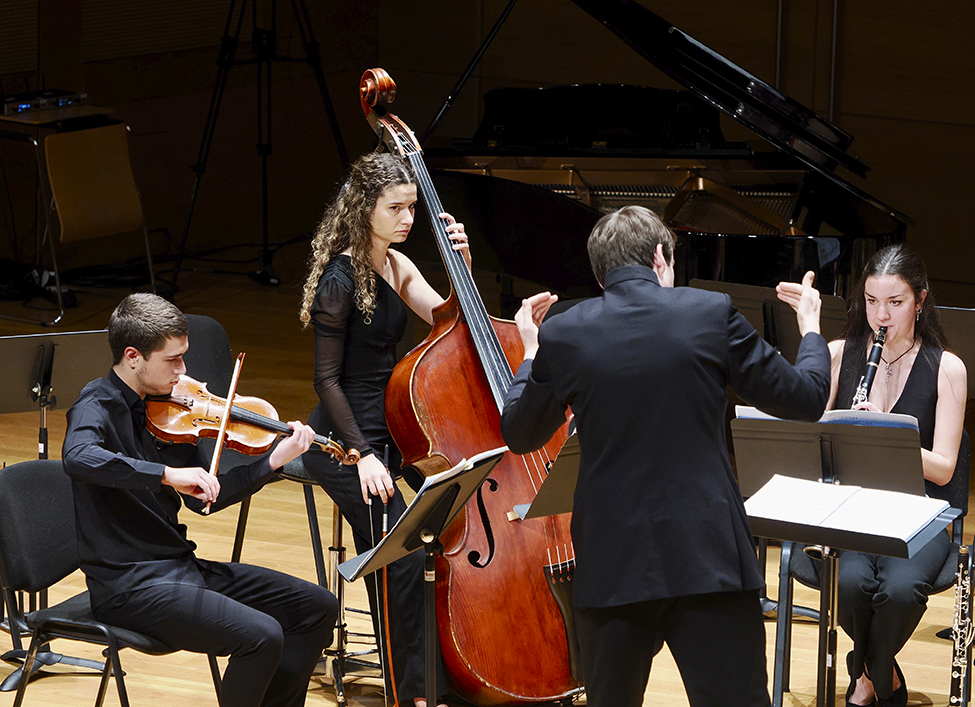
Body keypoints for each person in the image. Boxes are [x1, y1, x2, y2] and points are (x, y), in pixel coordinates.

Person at [499, 205, 831, 707]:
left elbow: (520, 432)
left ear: (600, 275)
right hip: (709, 557)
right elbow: (806, 398)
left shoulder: (565, 332)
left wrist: (529, 353)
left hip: (612, 565)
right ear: (661, 257)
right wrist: (810, 329)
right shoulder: (709, 312)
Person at [62, 293, 338, 707]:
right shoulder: (95, 403)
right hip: (127, 586)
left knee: (317, 607)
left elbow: (206, 499)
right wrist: (166, 474)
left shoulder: (172, 414)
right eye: (172, 360)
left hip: (179, 568)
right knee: (261, 635)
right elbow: (78, 457)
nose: (183, 370)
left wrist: (273, 461)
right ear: (133, 357)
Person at [298, 151, 470, 707]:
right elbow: (326, 381)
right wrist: (362, 454)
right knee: (401, 555)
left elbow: (447, 320)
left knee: (438, 537)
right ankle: (411, 693)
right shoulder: (339, 280)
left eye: (411, 207)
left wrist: (462, 267)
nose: (407, 218)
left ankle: (444, 680)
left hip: (394, 427)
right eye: (395, 208)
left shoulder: (396, 265)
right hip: (342, 442)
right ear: (363, 207)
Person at [779, 244, 967, 707]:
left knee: (901, 590)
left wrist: (886, 435)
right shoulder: (838, 354)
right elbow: (808, 439)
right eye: (871, 301)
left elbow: (944, 467)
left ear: (920, 301)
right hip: (850, 510)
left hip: (919, 514)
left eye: (895, 303)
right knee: (849, 584)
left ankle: (865, 673)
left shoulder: (947, 368)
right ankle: (883, 677)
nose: (881, 315)